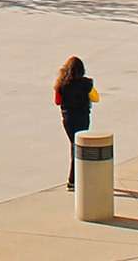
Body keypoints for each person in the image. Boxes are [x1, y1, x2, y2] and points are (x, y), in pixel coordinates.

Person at [54, 56, 100, 190]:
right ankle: (73, 179)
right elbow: (96, 98)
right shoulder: (86, 83)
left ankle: (76, 178)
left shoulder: (60, 84)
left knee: (74, 145)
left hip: (68, 119)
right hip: (82, 117)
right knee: (78, 147)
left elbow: (57, 101)